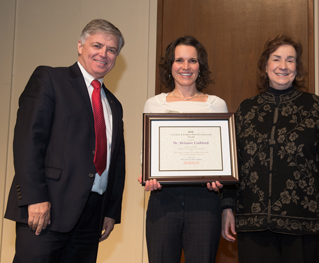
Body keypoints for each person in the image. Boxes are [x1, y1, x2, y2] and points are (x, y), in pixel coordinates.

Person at [4, 19, 126, 263]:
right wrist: (35, 197)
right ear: (80, 46)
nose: (104, 54)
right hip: (46, 209)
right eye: (97, 45)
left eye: (111, 49)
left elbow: (117, 161)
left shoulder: (113, 104)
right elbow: (28, 142)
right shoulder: (50, 78)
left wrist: (111, 211)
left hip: (92, 216)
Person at [221, 34, 319, 263]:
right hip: (253, 223)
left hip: (303, 223)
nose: (283, 66)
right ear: (265, 65)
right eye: (276, 59)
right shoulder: (247, 109)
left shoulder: (314, 106)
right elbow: (232, 163)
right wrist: (227, 207)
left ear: (297, 68)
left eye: (290, 60)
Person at [140, 36, 228, 263]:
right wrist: (148, 174)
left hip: (205, 201)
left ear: (201, 66)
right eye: (179, 60)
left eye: (193, 61)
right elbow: (147, 152)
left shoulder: (216, 104)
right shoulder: (154, 104)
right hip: (163, 200)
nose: (186, 67)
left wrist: (220, 177)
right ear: (170, 66)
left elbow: (223, 155)